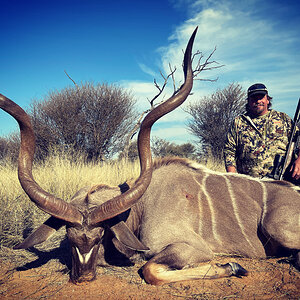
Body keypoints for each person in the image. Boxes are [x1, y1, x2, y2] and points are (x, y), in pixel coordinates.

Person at [224, 83, 300, 180]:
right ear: (248, 101)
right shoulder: (238, 122)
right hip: (249, 184)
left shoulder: (283, 118)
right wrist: (233, 178)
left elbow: (298, 140)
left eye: (261, 97)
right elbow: (229, 150)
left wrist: (299, 161)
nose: (258, 101)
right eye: (254, 98)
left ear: (267, 99)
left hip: (281, 182)